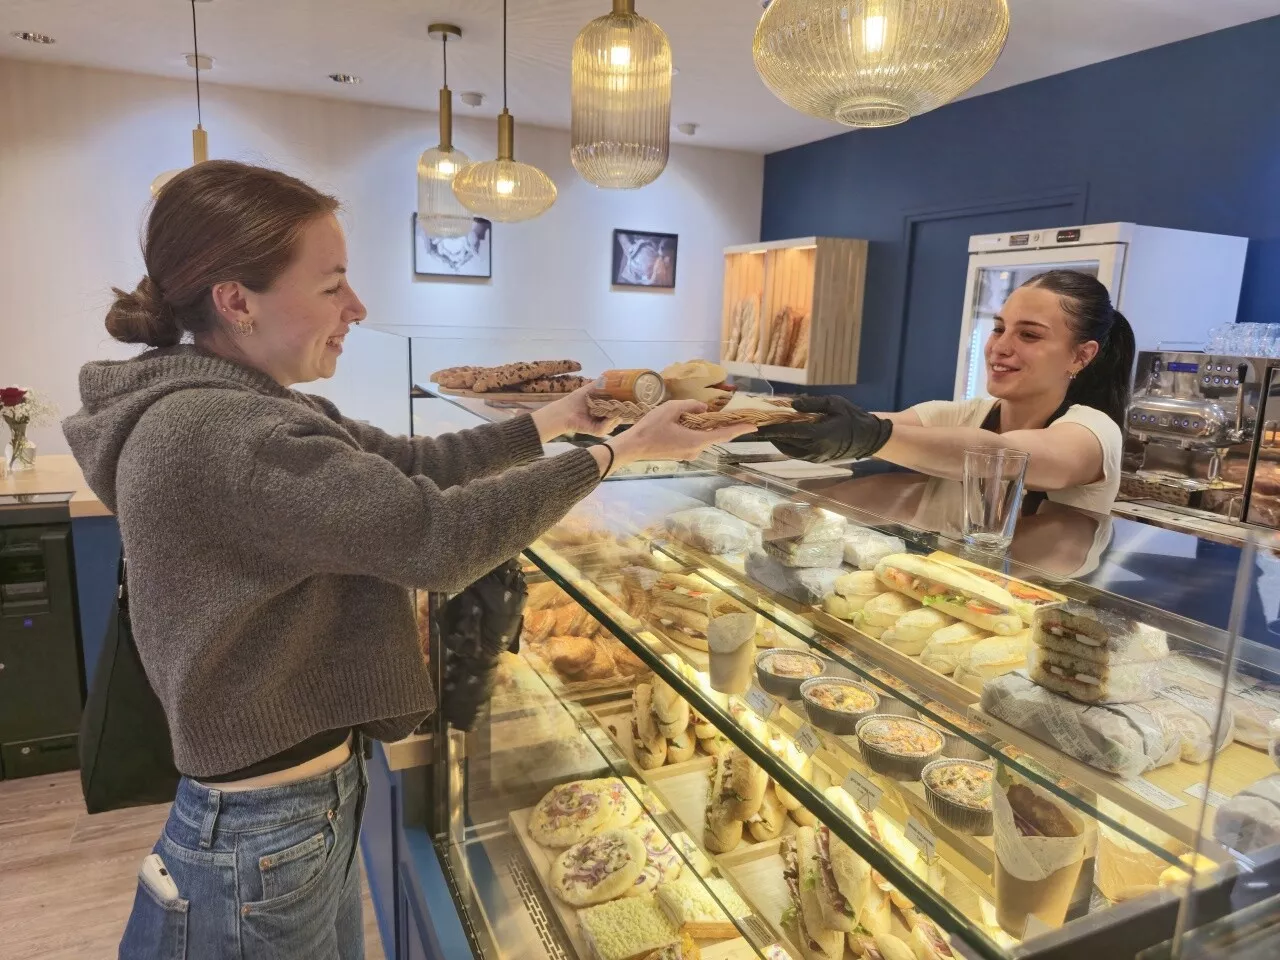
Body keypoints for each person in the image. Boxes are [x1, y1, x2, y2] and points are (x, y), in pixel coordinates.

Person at [62, 160, 750, 960]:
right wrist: (614, 453)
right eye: (332, 287)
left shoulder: (251, 407)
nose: (358, 308)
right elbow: (438, 538)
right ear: (235, 299)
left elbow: (414, 460)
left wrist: (556, 419)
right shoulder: (223, 431)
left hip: (283, 817)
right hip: (260, 835)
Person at [756, 269, 1136, 513]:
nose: (1001, 346)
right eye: (999, 328)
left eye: (1030, 335)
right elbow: (878, 426)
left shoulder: (1091, 431)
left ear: (1081, 356)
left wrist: (870, 437)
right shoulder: (960, 415)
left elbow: (1000, 455)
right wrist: (749, 414)